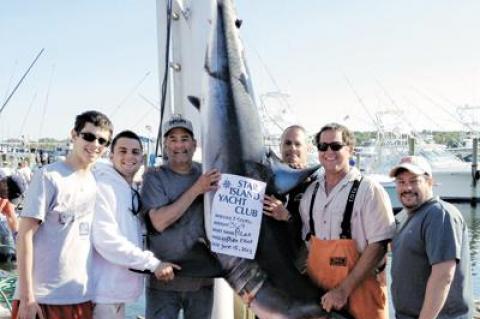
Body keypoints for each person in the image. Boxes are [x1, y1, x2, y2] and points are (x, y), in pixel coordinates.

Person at [13, 110, 113, 319]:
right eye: (88, 136)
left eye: (102, 140)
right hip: (42, 300)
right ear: (74, 135)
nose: (95, 144)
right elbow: (25, 236)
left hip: (81, 297)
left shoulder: (97, 181)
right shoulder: (48, 176)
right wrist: (27, 297)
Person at [299, 122, 395, 319]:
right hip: (321, 301)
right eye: (323, 147)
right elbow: (309, 243)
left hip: (362, 298)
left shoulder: (369, 190)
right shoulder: (310, 193)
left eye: (335, 146)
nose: (328, 152)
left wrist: (343, 290)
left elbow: (379, 246)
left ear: (350, 150)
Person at [91, 130, 180, 319]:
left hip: (117, 293)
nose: (129, 156)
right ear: (111, 155)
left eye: (135, 152)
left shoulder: (128, 188)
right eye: (123, 151)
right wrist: (153, 264)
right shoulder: (103, 187)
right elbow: (106, 241)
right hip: (102, 294)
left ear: (142, 157)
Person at [141, 114, 221, 319]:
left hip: (202, 281)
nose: (179, 145)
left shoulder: (209, 173)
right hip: (164, 281)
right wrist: (197, 189)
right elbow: (158, 222)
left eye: (184, 139)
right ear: (165, 145)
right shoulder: (154, 176)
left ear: (194, 144)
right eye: (172, 139)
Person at [389, 155, 473, 319]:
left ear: (429, 182)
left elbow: (443, 276)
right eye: (401, 182)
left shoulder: (439, 214)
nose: (407, 187)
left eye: (414, 181)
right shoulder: (404, 216)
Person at [263, 125, 317, 271]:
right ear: (280, 146)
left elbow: (320, 233)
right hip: (269, 268)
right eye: (287, 143)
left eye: (297, 144)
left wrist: (287, 216)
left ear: (308, 148)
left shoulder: (317, 184)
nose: (292, 148)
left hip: (302, 272)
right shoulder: (265, 181)